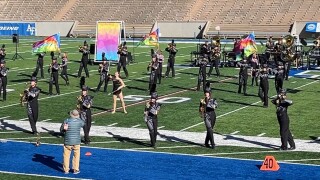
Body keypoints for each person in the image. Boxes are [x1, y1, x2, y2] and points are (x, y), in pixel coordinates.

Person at [60, 109, 84, 174]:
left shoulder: (67, 121)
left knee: (66, 156)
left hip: (68, 141)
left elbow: (61, 130)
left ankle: (66, 170)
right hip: (76, 141)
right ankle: (75, 169)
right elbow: (83, 123)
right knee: (76, 156)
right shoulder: (79, 122)